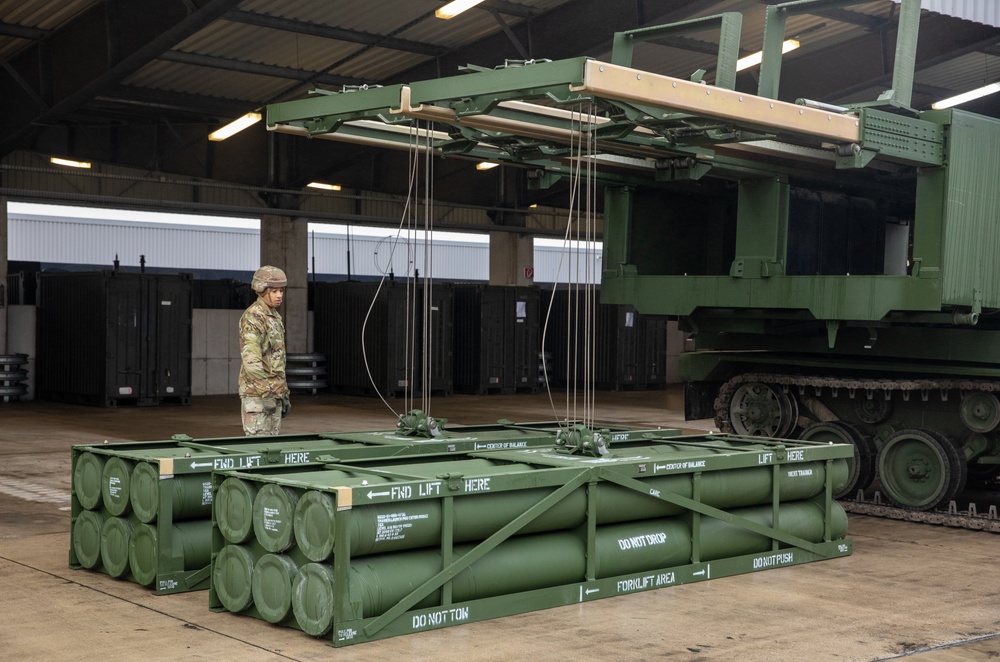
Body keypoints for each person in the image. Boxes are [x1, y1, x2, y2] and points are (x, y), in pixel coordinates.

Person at [239, 265, 290, 435]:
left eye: (281, 291)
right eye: (274, 291)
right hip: (257, 396)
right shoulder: (253, 317)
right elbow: (251, 361)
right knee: (258, 449)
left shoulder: (274, 317)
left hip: (274, 395)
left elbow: (277, 359)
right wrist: (265, 393)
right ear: (262, 290)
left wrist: (284, 393)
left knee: (272, 448)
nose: (279, 295)